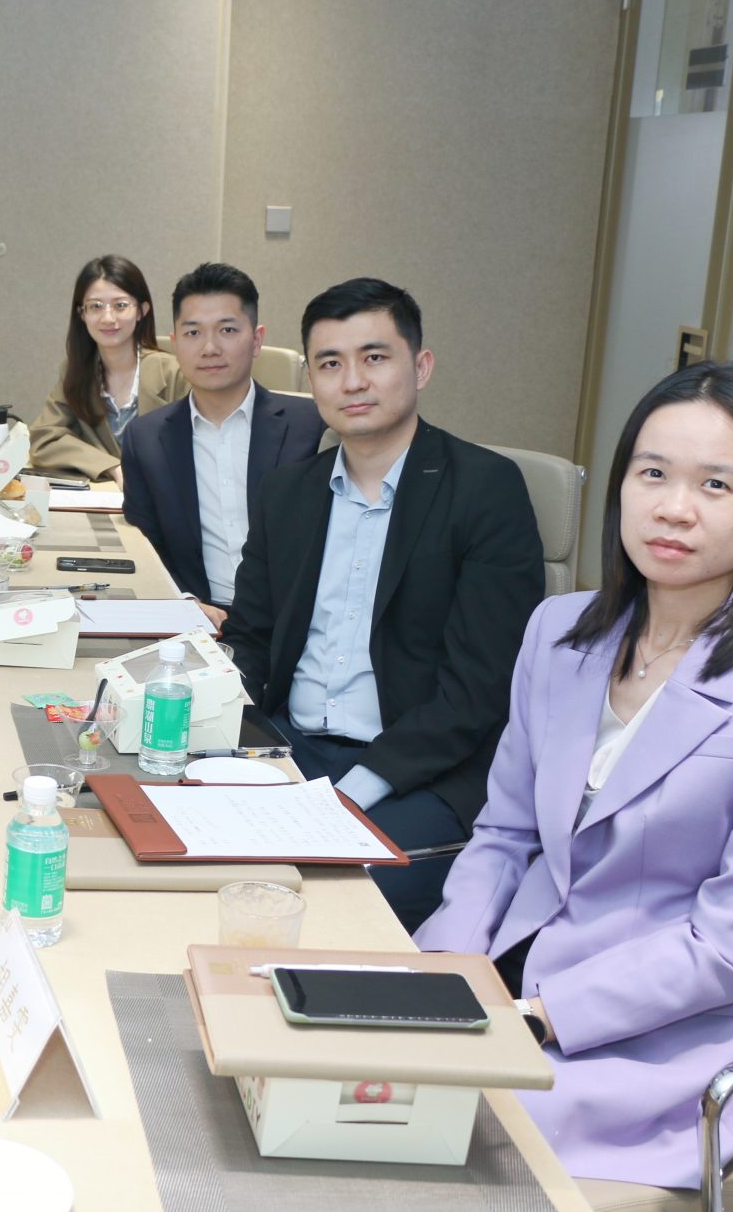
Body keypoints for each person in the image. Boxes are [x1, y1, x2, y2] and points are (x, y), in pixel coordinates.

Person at [417, 362, 733, 1190]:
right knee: (328, 1077)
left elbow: (729, 944)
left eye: (716, 484)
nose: (674, 507)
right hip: (502, 977)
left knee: (428, 1132)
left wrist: (540, 1015)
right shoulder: (559, 630)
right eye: (652, 473)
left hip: (647, 1036)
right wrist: (451, 959)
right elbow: (504, 832)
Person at [222, 277, 541, 930]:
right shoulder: (288, 492)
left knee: (324, 905)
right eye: (330, 364)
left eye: (374, 357)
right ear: (311, 381)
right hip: (290, 749)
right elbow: (251, 639)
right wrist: (214, 722)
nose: (352, 381)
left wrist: (354, 790)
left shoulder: (485, 490)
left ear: (420, 367)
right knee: (188, 861)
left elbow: (479, 689)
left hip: (422, 772)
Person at [120, 263, 326, 626]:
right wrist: (182, 603)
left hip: (297, 622)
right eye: (193, 332)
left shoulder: (312, 425)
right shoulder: (146, 439)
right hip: (199, 619)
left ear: (257, 340)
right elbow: (146, 547)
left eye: (227, 330)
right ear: (175, 343)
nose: (210, 348)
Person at [30, 255, 190, 484]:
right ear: (82, 314)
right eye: (95, 306)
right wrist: (113, 468)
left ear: (141, 310)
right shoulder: (76, 372)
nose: (107, 318)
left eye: (120, 305)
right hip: (104, 498)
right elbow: (44, 438)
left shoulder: (174, 373)